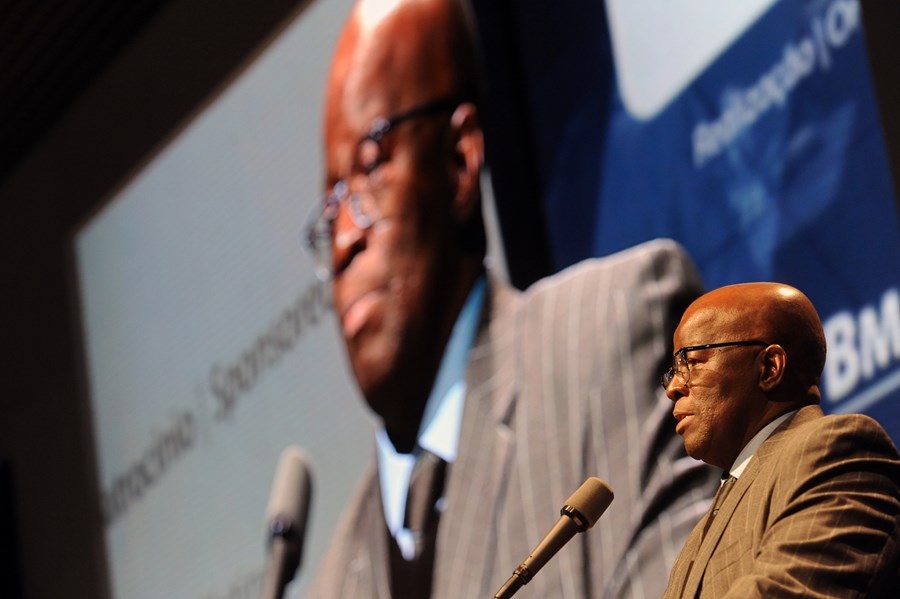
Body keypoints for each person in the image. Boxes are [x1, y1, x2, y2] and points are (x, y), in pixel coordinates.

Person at [304, 0, 718, 597]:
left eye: (371, 167)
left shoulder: (606, 341)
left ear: (460, 160)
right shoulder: (333, 581)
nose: (344, 236)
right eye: (331, 202)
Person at [661, 282, 900, 598]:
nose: (673, 388)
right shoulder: (696, 538)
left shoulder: (838, 452)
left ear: (769, 368)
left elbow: (785, 591)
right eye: (673, 371)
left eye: (691, 362)